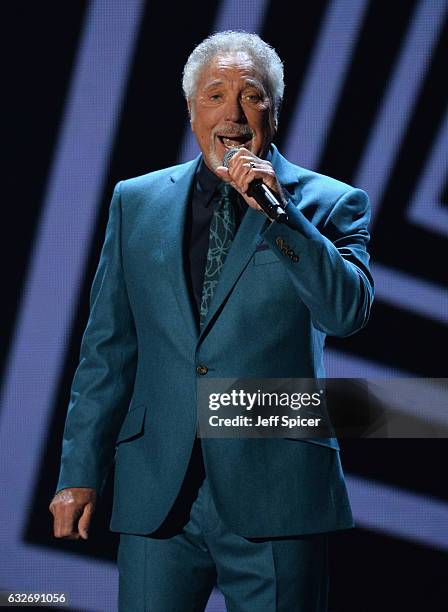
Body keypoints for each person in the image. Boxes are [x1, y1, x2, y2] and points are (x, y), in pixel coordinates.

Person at [49, 31, 374, 611]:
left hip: (278, 489)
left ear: (275, 110)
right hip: (160, 492)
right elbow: (107, 350)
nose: (232, 113)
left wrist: (284, 217)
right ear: (191, 109)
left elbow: (346, 313)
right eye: (214, 95)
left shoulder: (331, 204)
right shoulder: (136, 201)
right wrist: (79, 472)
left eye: (251, 96)